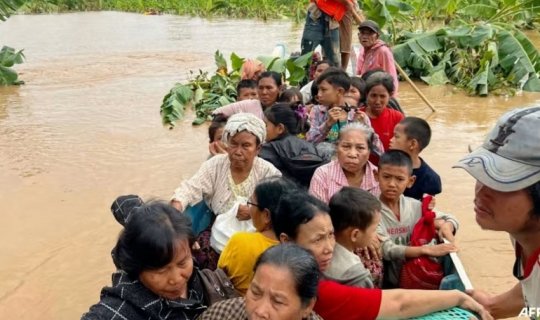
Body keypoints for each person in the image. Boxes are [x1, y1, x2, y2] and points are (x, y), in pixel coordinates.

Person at [272, 191, 492, 320]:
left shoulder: (273, 265)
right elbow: (397, 305)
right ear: (286, 240)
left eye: (331, 235)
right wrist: (458, 296)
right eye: (318, 239)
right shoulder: (329, 284)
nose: (330, 246)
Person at [454, 106, 540, 318]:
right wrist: (492, 306)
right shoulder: (524, 229)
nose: (481, 191)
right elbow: (531, 293)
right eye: (481, 175)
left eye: (501, 182)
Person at [171, 113, 281, 269]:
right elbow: (189, 189)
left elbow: (281, 205)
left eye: (246, 146)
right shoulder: (215, 165)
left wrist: (253, 211)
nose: (237, 151)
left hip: (256, 235)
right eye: (233, 144)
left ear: (258, 149)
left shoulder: (268, 172)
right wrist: (175, 211)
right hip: (219, 230)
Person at [81, 201, 208, 320]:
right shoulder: (125, 307)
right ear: (136, 267)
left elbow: (127, 202)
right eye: (161, 271)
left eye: (182, 263)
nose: (176, 279)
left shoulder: (190, 271)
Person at [376, 150, 459, 288]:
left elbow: (451, 218)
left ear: (410, 181)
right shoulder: (371, 210)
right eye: (386, 177)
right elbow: (385, 249)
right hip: (387, 283)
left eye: (399, 179)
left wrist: (446, 226)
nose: (392, 184)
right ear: (376, 176)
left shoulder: (415, 205)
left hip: (415, 278)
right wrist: (425, 250)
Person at [217, 177, 297, 294]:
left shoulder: (240, 241)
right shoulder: (299, 247)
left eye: (251, 203)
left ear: (266, 216)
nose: (249, 209)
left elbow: (220, 277)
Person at [200, 244, 322, 320]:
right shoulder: (220, 315)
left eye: (277, 301)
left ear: (307, 307)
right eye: (256, 292)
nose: (260, 311)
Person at [325, 187, 381, 288]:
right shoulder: (356, 278)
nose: (376, 234)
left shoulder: (321, 254)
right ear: (355, 234)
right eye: (374, 229)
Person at [310, 123, 380, 203]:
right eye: (346, 146)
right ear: (337, 148)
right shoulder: (323, 174)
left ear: (369, 152)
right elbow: (318, 212)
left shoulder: (379, 176)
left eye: (360, 148)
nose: (352, 154)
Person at [260, 103, 327, 187]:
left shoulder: (267, 150)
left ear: (280, 128)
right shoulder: (310, 147)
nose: (261, 128)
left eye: (265, 125)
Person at [389, 116, 442, 200]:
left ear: (413, 144)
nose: (391, 140)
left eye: (396, 136)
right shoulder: (386, 166)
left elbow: (425, 208)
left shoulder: (429, 179)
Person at [360, 71, 404, 163]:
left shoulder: (397, 117)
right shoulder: (357, 116)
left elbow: (403, 147)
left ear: (390, 96)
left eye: (382, 96)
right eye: (373, 96)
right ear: (366, 94)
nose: (377, 101)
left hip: (388, 167)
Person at [212, 72, 282, 119]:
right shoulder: (249, 104)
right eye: (260, 88)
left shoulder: (286, 110)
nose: (264, 92)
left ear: (279, 88)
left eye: (269, 88)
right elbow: (216, 113)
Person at [355, 20, 399, 96]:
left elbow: (391, 76)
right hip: (367, 91)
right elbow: (359, 73)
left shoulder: (383, 51)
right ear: (358, 35)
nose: (365, 36)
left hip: (378, 93)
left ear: (377, 36)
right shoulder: (362, 50)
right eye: (362, 33)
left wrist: (391, 97)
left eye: (370, 33)